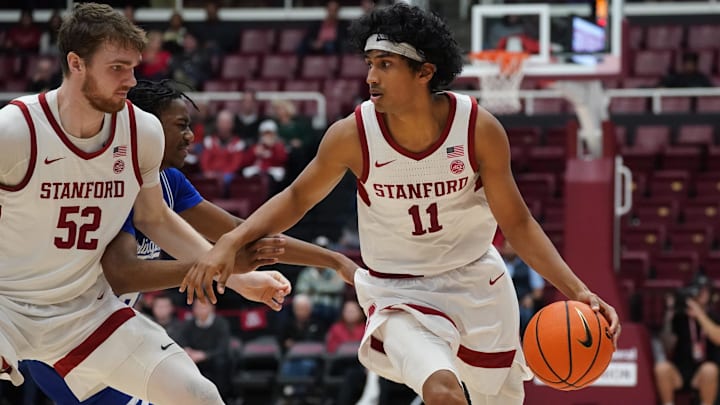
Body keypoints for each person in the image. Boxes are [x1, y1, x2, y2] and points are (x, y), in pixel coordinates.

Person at [183, 3, 622, 405]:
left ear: (424, 72)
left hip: (476, 282)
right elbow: (297, 197)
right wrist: (231, 241)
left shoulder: (477, 130)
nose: (371, 77)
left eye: (386, 65)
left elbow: (520, 224)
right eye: (370, 64)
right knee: (443, 390)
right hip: (396, 291)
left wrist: (579, 291)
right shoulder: (352, 134)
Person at [20, 79, 359, 405]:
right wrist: (215, 269)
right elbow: (124, 273)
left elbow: (241, 232)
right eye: (180, 125)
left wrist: (332, 260)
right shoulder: (114, 185)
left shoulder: (169, 183)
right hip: (71, 335)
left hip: (110, 330)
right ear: (148, 128)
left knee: (202, 396)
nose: (189, 136)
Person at [0, 4, 262, 405]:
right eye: (117, 68)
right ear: (76, 63)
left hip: (86, 310)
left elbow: (156, 219)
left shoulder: (142, 130)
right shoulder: (16, 131)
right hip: (8, 305)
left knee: (199, 395)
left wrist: (235, 276)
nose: (131, 80)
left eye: (134, 68)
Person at [655, 274, 720, 405]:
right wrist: (669, 312)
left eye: (705, 290)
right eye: (699, 289)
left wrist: (699, 314)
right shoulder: (680, 318)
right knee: (662, 368)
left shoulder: (714, 316)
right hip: (681, 370)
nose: (702, 293)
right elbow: (667, 344)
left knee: (710, 369)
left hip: (703, 371)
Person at [499, 237, 545, 337]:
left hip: (522, 303)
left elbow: (538, 291)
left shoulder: (528, 265)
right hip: (502, 304)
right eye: (506, 248)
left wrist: (530, 298)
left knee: (525, 313)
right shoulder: (498, 265)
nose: (508, 250)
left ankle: (525, 340)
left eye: (511, 247)